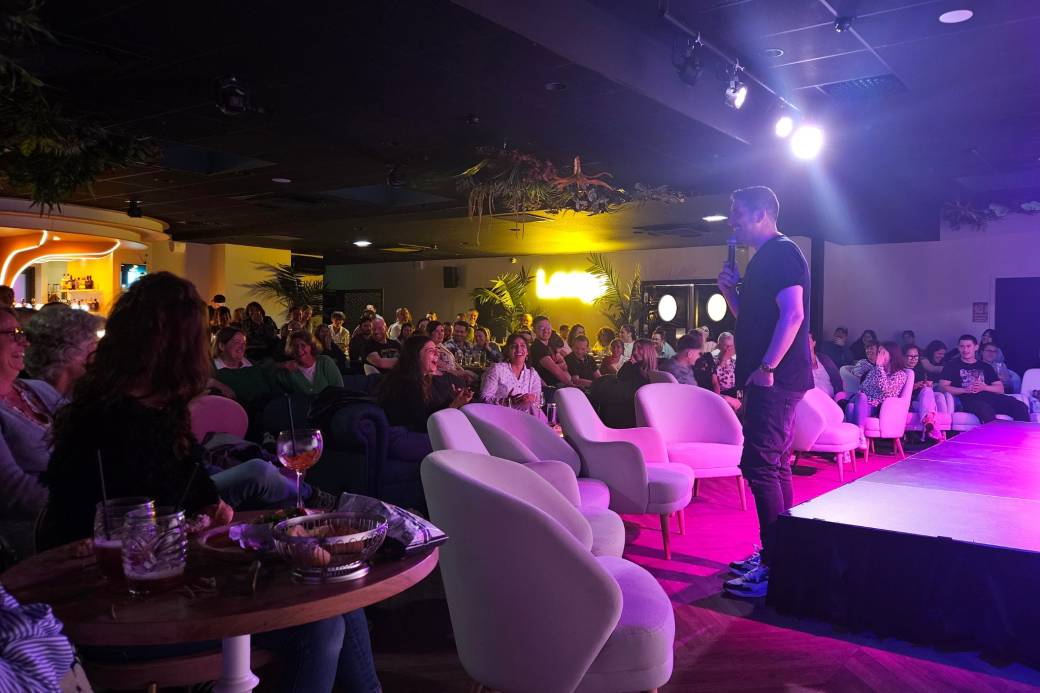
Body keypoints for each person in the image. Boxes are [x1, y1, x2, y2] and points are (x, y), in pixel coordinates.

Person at [39, 273, 379, 692]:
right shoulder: (106, 422)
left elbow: (195, 492)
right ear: (182, 347)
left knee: (333, 588)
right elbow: (131, 530)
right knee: (319, 623)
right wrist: (201, 516)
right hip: (112, 619)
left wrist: (207, 509)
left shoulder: (156, 409)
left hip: (163, 588)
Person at [717, 186, 811, 599]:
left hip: (776, 378)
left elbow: (794, 315)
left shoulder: (781, 253)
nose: (732, 221)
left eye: (737, 212)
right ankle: (783, 554)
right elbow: (754, 321)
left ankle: (776, 565)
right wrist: (730, 293)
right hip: (771, 377)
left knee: (760, 467)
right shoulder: (764, 259)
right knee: (775, 466)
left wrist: (768, 367)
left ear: (760, 214)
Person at [0, 307, 65, 559]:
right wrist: (83, 500)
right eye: (12, 334)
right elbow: (13, 491)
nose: (24, 342)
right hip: (33, 537)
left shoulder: (36, 388)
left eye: (22, 333)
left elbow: (88, 436)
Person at [378, 335, 471, 432]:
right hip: (408, 435)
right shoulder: (406, 383)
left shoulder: (423, 378)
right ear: (416, 356)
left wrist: (453, 400)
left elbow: (429, 412)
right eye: (431, 351)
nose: (437, 354)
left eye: (436, 350)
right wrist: (453, 405)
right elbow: (423, 425)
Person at [940, 335, 1028, 422]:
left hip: (990, 397)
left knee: (1020, 406)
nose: (965, 350)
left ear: (976, 347)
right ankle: (996, 430)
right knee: (985, 410)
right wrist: (965, 390)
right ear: (958, 348)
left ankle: (1021, 431)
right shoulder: (951, 365)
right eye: (962, 346)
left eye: (968, 346)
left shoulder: (985, 366)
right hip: (968, 399)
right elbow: (943, 387)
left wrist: (984, 387)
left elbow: (1000, 389)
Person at [844, 342, 909, 428]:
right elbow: (864, 386)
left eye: (882, 353)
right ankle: (858, 432)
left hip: (878, 406)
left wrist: (879, 368)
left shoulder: (900, 374)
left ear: (892, 355)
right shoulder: (875, 370)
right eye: (878, 352)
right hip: (863, 401)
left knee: (855, 403)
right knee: (851, 406)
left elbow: (887, 391)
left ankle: (858, 430)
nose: (879, 355)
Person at [480, 333, 545, 419]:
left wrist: (529, 400)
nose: (519, 349)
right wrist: (508, 402)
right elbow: (484, 399)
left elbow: (537, 403)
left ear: (527, 352)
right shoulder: (497, 369)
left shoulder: (532, 374)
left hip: (526, 419)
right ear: (508, 351)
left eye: (522, 346)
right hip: (500, 418)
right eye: (514, 346)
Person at [274, 330, 344, 395]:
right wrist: (280, 365)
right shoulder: (288, 370)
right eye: (294, 346)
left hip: (332, 403)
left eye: (303, 345)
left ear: (311, 346)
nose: (299, 350)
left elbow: (339, 389)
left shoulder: (325, 362)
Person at [905, 345, 943, 441]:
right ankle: (932, 426)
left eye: (916, 356)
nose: (913, 359)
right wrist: (913, 386)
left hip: (922, 402)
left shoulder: (920, 370)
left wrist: (927, 385)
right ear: (903, 356)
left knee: (932, 392)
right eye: (910, 356)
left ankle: (930, 422)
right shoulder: (900, 371)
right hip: (909, 403)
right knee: (927, 397)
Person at [530, 316, 572, 388]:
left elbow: (564, 364)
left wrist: (558, 366)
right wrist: (571, 385)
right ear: (534, 330)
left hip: (560, 384)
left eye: (548, 327)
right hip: (550, 387)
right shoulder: (537, 347)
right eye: (542, 328)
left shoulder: (550, 345)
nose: (546, 331)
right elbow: (556, 371)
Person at [808, 331, 842, 398]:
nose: (804, 344)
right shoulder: (798, 364)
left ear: (814, 343)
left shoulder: (825, 359)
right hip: (813, 401)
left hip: (833, 399)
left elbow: (838, 380)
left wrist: (839, 398)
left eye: (807, 341)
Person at [715, 331, 741, 400]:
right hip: (720, 394)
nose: (729, 349)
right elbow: (715, 380)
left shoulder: (735, 360)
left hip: (734, 393)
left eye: (731, 346)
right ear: (719, 346)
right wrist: (723, 360)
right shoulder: (713, 360)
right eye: (726, 346)